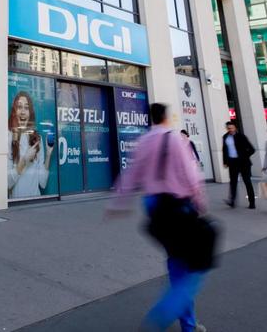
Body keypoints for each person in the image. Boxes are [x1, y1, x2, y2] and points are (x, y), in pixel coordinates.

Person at [108, 103, 208, 332]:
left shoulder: (144, 141)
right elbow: (190, 173)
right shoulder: (175, 139)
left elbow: (131, 174)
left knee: (177, 262)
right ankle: (166, 312)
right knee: (196, 264)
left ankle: (188, 324)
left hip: (154, 206)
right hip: (178, 205)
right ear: (166, 117)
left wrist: (118, 203)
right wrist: (200, 201)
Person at [7, 91, 54, 199]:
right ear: (14, 111)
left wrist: (48, 154)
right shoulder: (9, 137)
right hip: (17, 203)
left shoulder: (37, 139)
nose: (23, 111)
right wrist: (24, 161)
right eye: (19, 107)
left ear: (30, 113)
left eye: (26, 108)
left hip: (35, 201)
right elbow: (8, 184)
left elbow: (42, 183)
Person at [222, 121, 256, 209]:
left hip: (244, 163)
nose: (230, 130)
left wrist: (244, 157)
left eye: (232, 128)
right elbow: (224, 150)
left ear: (235, 128)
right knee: (233, 182)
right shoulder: (225, 137)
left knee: (247, 182)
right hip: (232, 163)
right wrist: (225, 162)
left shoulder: (241, 136)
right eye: (228, 128)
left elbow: (252, 149)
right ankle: (232, 201)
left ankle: (252, 202)